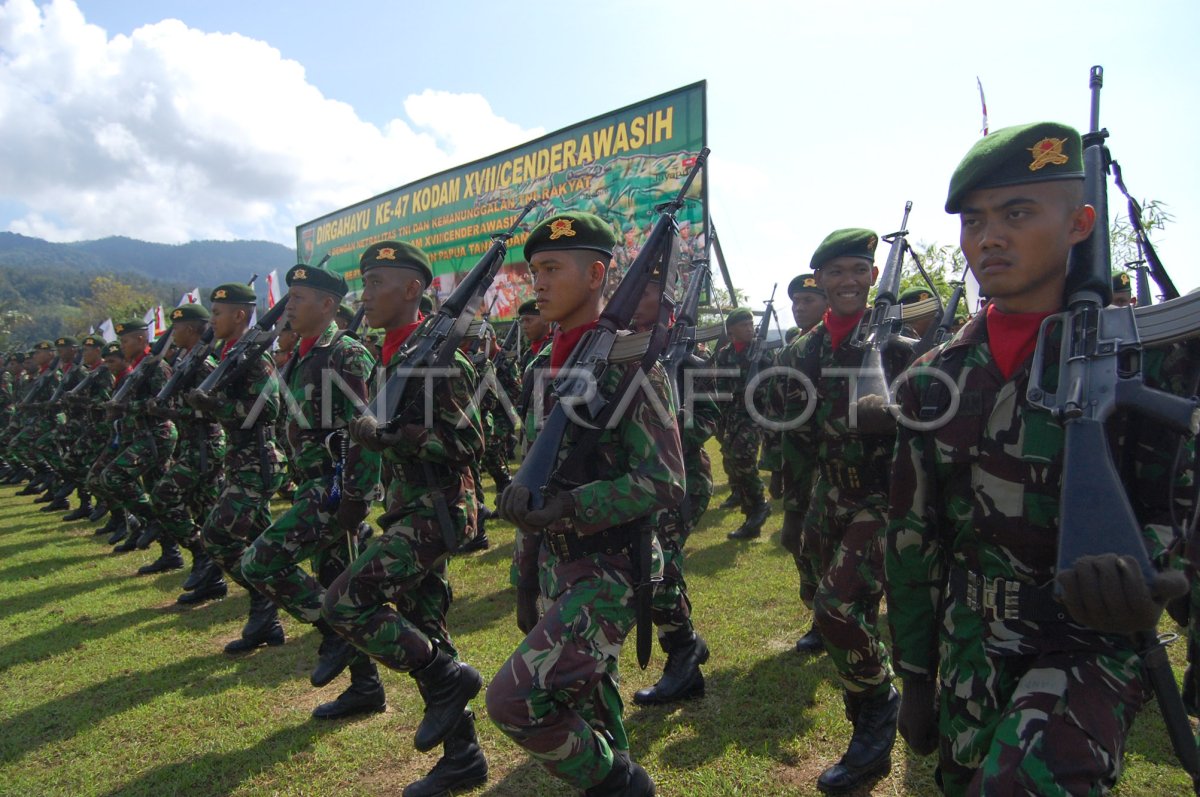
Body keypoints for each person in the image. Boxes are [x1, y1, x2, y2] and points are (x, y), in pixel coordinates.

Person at [885, 121, 1191, 795]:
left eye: (1017, 213)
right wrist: (913, 673)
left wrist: (1160, 582)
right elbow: (913, 537)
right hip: (972, 645)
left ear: (1081, 222)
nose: (989, 237)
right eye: (974, 221)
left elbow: (1179, 502)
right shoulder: (934, 379)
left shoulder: (1149, 356)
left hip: (1090, 642)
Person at [488, 211, 685, 797]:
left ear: (598, 274)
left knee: (516, 700)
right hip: (557, 567)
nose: (538, 283)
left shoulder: (631, 366)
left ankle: (627, 786)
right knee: (592, 709)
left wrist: (574, 505)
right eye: (534, 271)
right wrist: (525, 580)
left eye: (552, 269)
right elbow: (536, 478)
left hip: (611, 570)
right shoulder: (542, 366)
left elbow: (665, 482)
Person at [337, 241, 488, 797]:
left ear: (412, 289)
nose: (366, 294)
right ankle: (463, 758)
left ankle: (449, 681)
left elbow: (472, 442)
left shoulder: (443, 357)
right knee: (426, 628)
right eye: (365, 283)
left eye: (378, 283)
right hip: (406, 506)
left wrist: (395, 435)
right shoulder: (391, 353)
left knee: (345, 602)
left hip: (436, 511)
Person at [779, 228, 907, 794]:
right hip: (828, 494)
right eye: (836, 273)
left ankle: (879, 708)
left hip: (884, 498)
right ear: (820, 281)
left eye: (859, 269)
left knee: (837, 608)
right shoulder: (801, 353)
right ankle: (864, 696)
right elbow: (797, 440)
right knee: (817, 598)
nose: (848, 281)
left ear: (874, 278)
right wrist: (792, 509)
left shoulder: (903, 349)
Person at [241, 263, 386, 721]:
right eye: (289, 298)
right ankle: (366, 687)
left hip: (335, 490)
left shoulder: (346, 354)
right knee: (335, 583)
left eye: (299, 298)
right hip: (313, 487)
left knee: (260, 561)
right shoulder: (304, 354)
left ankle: (334, 631)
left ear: (327, 305)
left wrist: (357, 498)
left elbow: (368, 429)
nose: (289, 307)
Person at [628, 275, 719, 706]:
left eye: (641, 292)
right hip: (640, 480)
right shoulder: (628, 352)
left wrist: (667, 423)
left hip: (681, 481)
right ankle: (685, 655)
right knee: (654, 569)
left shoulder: (695, 362)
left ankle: (683, 652)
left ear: (665, 304)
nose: (630, 300)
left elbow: (709, 421)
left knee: (659, 570)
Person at [183, 284, 287, 658]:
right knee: (258, 542)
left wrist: (217, 405)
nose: (211, 320)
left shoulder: (255, 357)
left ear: (240, 315)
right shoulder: (226, 354)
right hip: (239, 460)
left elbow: (267, 410)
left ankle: (273, 601)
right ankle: (266, 618)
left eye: (217, 313)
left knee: (217, 537)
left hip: (257, 460)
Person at [141, 304, 227, 581]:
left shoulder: (204, 365)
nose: (172, 334)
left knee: (165, 495)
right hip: (191, 444)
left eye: (176, 328)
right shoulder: (185, 360)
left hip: (206, 443)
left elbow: (214, 410)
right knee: (204, 508)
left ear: (190, 329)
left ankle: (203, 553)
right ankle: (210, 572)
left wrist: (169, 412)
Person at [774, 273, 829, 655]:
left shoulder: (854, 345)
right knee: (800, 542)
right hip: (800, 467)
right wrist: (777, 469)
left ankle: (834, 619)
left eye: (807, 300)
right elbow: (783, 419)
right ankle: (820, 613)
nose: (798, 307)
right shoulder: (791, 351)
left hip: (840, 468)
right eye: (795, 301)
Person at [97, 321, 178, 555]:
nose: (121, 347)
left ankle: (151, 520)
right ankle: (170, 552)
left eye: (125, 341)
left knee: (113, 476)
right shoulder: (139, 366)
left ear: (141, 340)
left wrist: (125, 406)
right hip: (139, 434)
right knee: (155, 491)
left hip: (157, 435)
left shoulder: (157, 367)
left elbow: (164, 404)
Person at [713, 307, 771, 539]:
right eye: (744, 325)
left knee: (742, 458)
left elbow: (773, 385)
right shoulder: (726, 354)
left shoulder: (762, 353)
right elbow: (721, 386)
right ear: (731, 331)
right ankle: (751, 515)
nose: (750, 328)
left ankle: (759, 505)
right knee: (731, 457)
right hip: (733, 414)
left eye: (751, 324)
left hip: (755, 415)